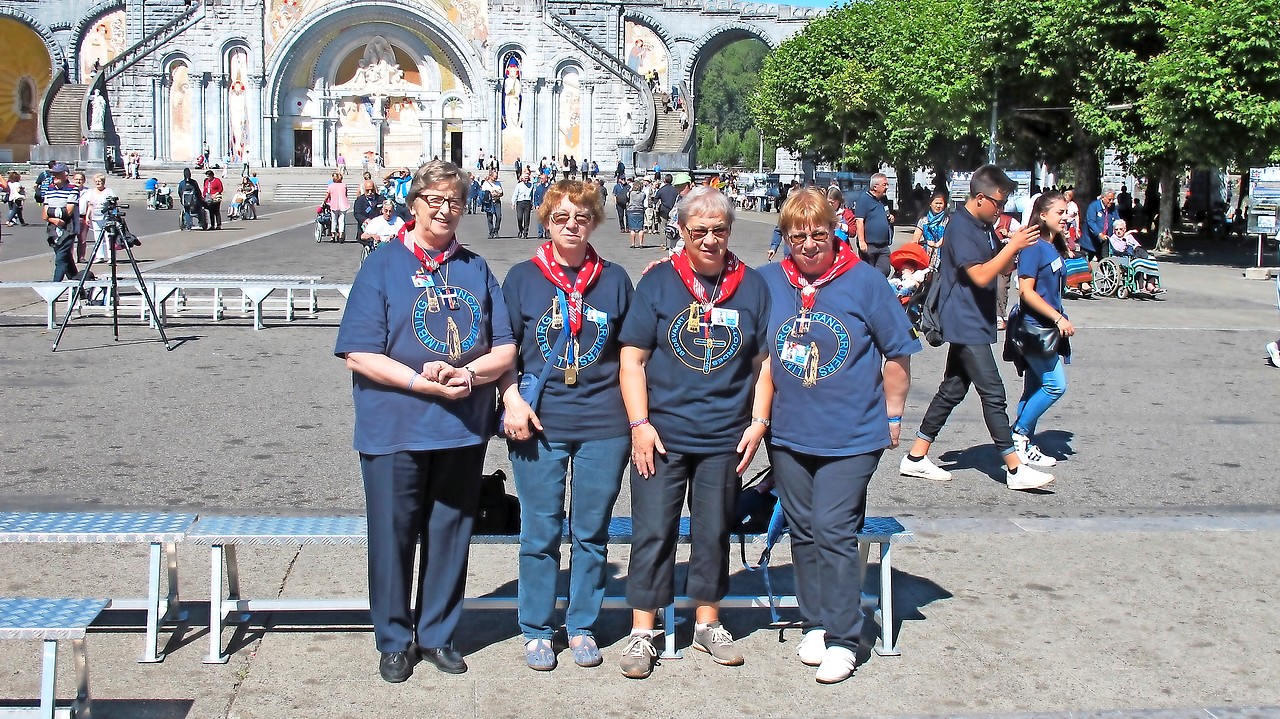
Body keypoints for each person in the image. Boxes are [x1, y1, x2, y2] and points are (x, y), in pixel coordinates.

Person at [334, 160, 517, 683]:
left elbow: (504, 347)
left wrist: (468, 375)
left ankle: (437, 633)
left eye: (454, 202)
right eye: (434, 200)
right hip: (394, 426)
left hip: (459, 426)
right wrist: (420, 382)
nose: (445, 210)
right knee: (392, 536)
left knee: (451, 532)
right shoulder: (382, 264)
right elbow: (359, 353)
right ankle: (393, 639)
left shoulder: (475, 268)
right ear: (413, 204)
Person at [760, 188, 919, 683]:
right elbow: (713, 287)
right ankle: (815, 619)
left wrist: (893, 416)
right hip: (787, 433)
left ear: (837, 232)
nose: (808, 245)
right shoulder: (767, 282)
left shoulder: (866, 282)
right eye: (798, 236)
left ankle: (846, 636)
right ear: (785, 237)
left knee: (832, 528)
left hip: (852, 433)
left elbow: (897, 354)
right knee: (803, 531)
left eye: (819, 235)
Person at [615, 187, 772, 679]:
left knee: (713, 532)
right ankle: (644, 632)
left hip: (724, 434)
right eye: (698, 230)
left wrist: (759, 423)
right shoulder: (659, 282)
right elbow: (632, 359)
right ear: (681, 232)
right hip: (661, 434)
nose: (709, 239)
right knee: (653, 532)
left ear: (729, 232)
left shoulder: (751, 286)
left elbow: (764, 362)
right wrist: (639, 425)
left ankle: (708, 622)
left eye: (718, 230)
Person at [499, 179, 634, 672]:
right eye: (560, 218)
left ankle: (581, 624)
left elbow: (632, 352)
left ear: (595, 221)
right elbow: (503, 349)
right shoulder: (522, 278)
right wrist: (510, 400)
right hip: (540, 421)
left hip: (605, 422)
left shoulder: (615, 278)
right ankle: (536, 628)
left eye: (581, 217)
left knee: (591, 531)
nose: (571, 226)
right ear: (546, 222)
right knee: (540, 529)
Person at [898, 164, 1056, 491]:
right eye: (998, 203)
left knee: (953, 389)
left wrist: (1016, 247)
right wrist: (1011, 248)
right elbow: (981, 275)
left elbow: (1001, 266)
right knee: (994, 393)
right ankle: (1014, 468)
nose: (1001, 210)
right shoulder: (961, 227)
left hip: (976, 320)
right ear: (980, 197)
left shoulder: (984, 227)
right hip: (964, 322)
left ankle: (915, 457)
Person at [1005, 190, 1075, 472]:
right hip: (1035, 328)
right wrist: (1058, 318)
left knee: (1034, 387)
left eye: (1067, 212)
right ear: (1042, 214)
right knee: (1055, 385)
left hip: (1045, 328)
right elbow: (1026, 292)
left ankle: (1022, 443)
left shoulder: (1051, 245)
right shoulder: (1033, 246)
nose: (1066, 217)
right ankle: (1019, 435)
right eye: (1060, 212)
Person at [42, 163, 79, 282]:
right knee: (66, 260)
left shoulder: (72, 190)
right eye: (53, 174)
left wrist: (51, 212)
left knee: (60, 260)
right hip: (53, 230)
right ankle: (79, 288)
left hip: (68, 229)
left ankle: (54, 290)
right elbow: (44, 214)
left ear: (65, 175)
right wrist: (54, 219)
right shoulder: (49, 190)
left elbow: (68, 212)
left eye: (57, 174)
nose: (54, 176)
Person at [854, 173, 894, 276]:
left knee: (885, 270)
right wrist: (862, 241)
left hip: (883, 245)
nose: (887, 187)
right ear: (875, 187)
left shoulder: (883, 199)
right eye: (884, 184)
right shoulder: (864, 199)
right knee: (868, 272)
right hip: (869, 245)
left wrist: (891, 218)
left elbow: (885, 213)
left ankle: (876, 285)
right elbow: (859, 221)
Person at [79, 173, 116, 263]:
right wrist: (87, 217)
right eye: (96, 182)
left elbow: (113, 204)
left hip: (107, 217)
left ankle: (111, 256)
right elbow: (90, 205)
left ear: (103, 182)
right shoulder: (91, 192)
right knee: (98, 237)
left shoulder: (109, 191)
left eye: (100, 181)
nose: (98, 183)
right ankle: (100, 256)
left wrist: (114, 215)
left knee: (108, 237)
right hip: (95, 217)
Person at [912, 191, 950, 267]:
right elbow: (915, 239)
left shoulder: (948, 220)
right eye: (936, 203)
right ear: (930, 204)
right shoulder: (923, 220)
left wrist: (938, 243)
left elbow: (948, 236)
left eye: (940, 203)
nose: (938, 206)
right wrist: (926, 242)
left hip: (943, 255)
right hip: (926, 254)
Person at [1081, 189, 1115, 261]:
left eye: (1113, 199)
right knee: (1085, 263)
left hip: (1104, 241)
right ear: (1103, 197)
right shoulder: (1094, 206)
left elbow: (1117, 220)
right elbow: (1091, 222)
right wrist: (1099, 234)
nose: (1111, 201)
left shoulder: (1112, 208)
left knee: (1104, 261)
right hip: (1090, 241)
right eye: (1110, 199)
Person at [324, 172, 351, 242]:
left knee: (334, 220)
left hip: (334, 204)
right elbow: (346, 194)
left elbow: (327, 196)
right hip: (343, 204)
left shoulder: (331, 186)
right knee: (341, 220)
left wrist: (324, 202)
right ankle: (341, 234)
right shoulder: (344, 185)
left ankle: (333, 235)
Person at [512, 168, 534, 239]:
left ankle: (525, 232)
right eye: (525, 178)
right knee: (519, 217)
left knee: (527, 219)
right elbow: (515, 194)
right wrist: (513, 202)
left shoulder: (531, 185)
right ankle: (520, 229)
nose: (526, 179)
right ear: (522, 178)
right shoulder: (519, 185)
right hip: (520, 202)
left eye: (527, 178)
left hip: (527, 202)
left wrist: (532, 203)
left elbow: (532, 195)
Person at [481, 170, 503, 238]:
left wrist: (497, 193)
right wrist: (490, 193)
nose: (496, 178)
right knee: (490, 218)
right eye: (494, 177)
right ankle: (491, 232)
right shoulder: (486, 184)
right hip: (489, 202)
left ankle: (496, 230)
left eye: (496, 177)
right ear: (490, 176)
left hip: (497, 201)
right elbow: (483, 193)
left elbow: (501, 192)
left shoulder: (498, 183)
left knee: (499, 217)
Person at [626, 180, 646, 249]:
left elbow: (627, 196)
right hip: (640, 210)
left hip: (632, 210)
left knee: (632, 229)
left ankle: (633, 243)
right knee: (640, 228)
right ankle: (641, 243)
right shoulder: (643, 194)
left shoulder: (631, 193)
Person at [531, 172, 551, 239]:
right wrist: (536, 204)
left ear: (546, 179)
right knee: (540, 220)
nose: (541, 180)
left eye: (542, 178)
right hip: (540, 205)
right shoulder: (539, 187)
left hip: (548, 206)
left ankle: (547, 233)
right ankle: (540, 233)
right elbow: (535, 196)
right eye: (540, 178)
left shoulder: (551, 187)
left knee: (548, 220)